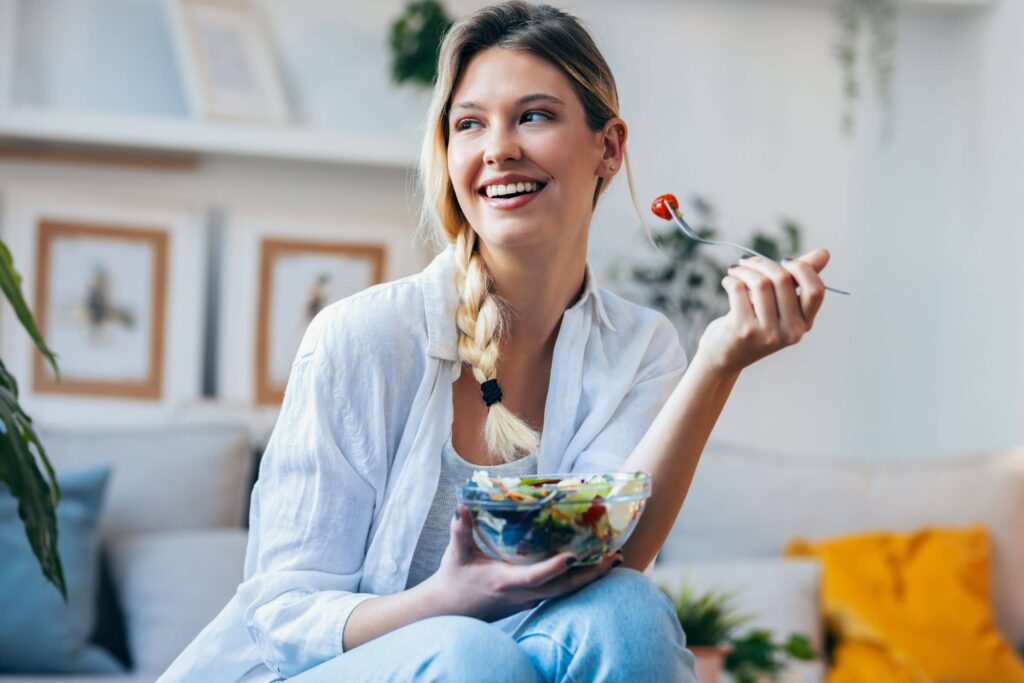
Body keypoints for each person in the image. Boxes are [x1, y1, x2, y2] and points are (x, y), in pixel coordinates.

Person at [159, 2, 829, 681]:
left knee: (624, 609)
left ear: (609, 146)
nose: (498, 147)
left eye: (533, 116)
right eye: (469, 123)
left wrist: (717, 363)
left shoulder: (640, 347)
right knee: (466, 652)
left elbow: (609, 560)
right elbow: (282, 616)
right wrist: (445, 601)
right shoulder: (360, 339)